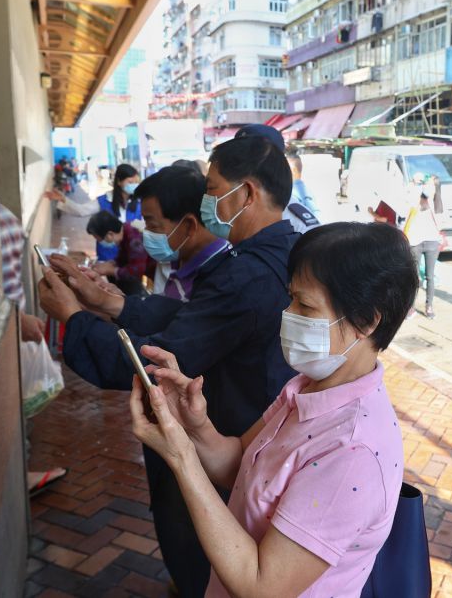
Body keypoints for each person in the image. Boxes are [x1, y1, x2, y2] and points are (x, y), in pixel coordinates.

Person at [37, 134, 299, 598]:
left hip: (229, 425)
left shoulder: (249, 272)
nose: (209, 203)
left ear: (248, 193)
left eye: (215, 190)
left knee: (201, 546)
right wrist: (114, 305)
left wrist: (75, 320)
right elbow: (198, 319)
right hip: (249, 423)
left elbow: (166, 355)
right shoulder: (280, 252)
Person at [129, 221, 418, 598]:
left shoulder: (352, 452)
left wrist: (182, 457)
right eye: (291, 298)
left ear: (366, 321)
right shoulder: (306, 388)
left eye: (306, 305)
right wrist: (194, 427)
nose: (288, 313)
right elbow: (241, 466)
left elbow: (261, 584)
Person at [0, 204, 66, 494]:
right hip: (14, 329)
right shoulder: (0, 217)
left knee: (17, 407)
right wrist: (18, 319)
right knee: (18, 409)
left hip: (13, 329)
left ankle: (22, 477)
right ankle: (21, 478)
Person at [133, 166, 229, 301]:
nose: (146, 233)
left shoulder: (219, 283)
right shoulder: (179, 257)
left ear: (189, 225)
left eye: (153, 225)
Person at [45, 163, 143, 261]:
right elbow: (81, 210)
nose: (134, 185)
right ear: (119, 181)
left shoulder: (139, 203)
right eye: (130, 182)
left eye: (136, 182)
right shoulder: (104, 200)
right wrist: (63, 199)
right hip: (108, 255)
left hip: (131, 255)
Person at [404, 174, 442, 319]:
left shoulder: (433, 201)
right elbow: (408, 198)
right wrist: (414, 184)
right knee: (414, 276)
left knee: (430, 276)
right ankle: (411, 307)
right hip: (415, 241)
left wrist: (430, 184)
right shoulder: (413, 198)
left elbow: (431, 192)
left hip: (432, 241)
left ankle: (429, 306)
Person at [85, 211, 150, 296]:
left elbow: (136, 271)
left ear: (110, 235)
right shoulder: (124, 232)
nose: (100, 243)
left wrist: (111, 270)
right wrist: (113, 263)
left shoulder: (134, 239)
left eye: (100, 240)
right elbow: (123, 258)